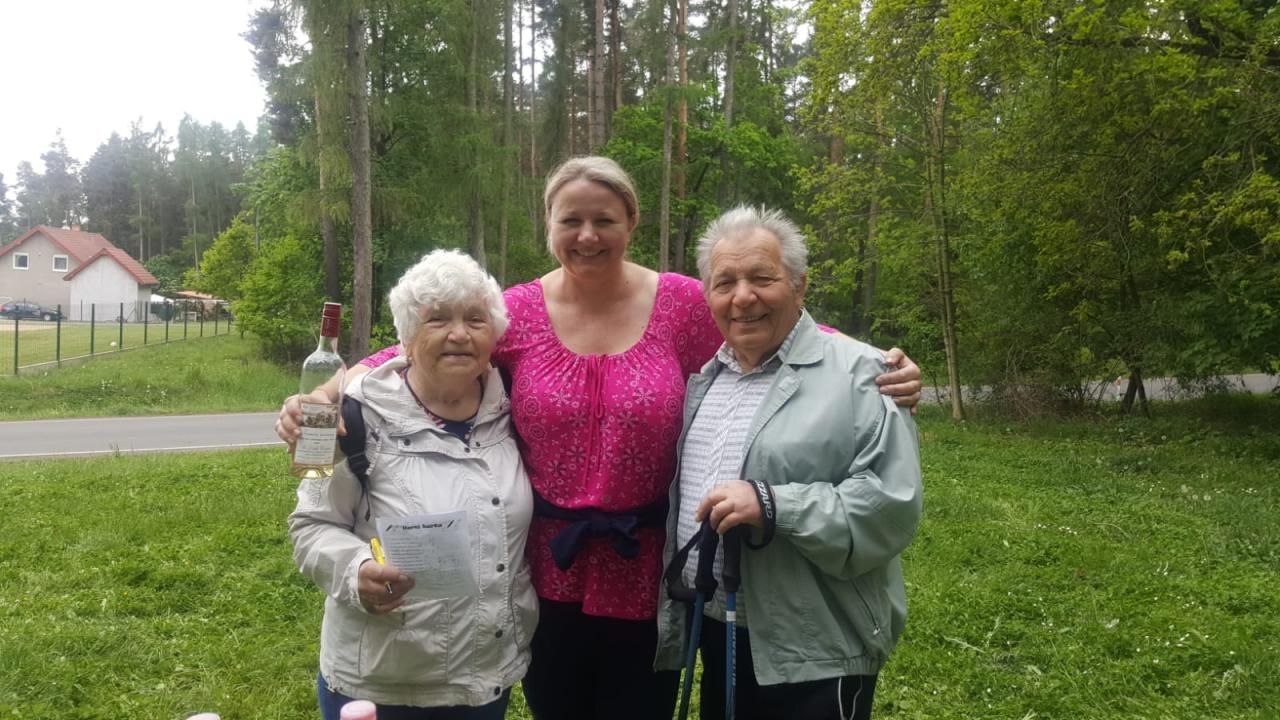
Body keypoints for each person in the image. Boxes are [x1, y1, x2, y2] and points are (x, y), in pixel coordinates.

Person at [278, 156, 923, 720]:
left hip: (648, 569)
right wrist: (325, 394)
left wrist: (875, 362)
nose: (587, 235)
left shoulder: (680, 303)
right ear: (549, 226)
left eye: (604, 219)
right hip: (544, 566)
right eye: (571, 220)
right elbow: (423, 344)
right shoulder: (517, 311)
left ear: (631, 223)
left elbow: (769, 319)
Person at [655, 206, 923, 720]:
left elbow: (891, 506)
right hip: (720, 629)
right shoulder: (707, 379)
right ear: (708, 296)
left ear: (799, 287)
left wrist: (774, 504)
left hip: (815, 642)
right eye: (725, 282)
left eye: (762, 278)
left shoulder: (866, 373)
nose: (742, 297)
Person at [288, 250, 537, 720]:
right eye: (437, 318)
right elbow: (310, 526)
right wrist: (355, 571)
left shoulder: (515, 408)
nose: (459, 333)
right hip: (380, 687)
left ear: (494, 334)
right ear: (405, 336)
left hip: (486, 679)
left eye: (475, 319)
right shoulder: (351, 417)